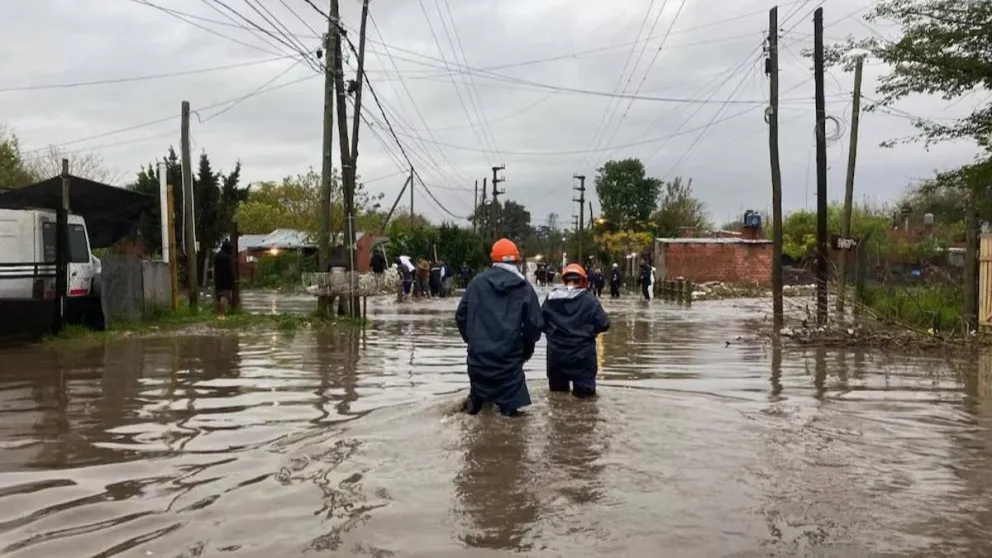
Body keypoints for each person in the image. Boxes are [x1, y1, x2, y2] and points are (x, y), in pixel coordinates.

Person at [456, 238, 543, 417]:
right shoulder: (524, 288)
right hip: (509, 365)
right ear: (517, 261)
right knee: (512, 421)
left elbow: (461, 316)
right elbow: (534, 326)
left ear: (493, 260)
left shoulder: (476, 283)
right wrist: (524, 352)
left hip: (478, 363)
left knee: (476, 413)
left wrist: (473, 342)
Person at [541, 264, 609, 398]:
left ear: (564, 280)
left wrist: (553, 335)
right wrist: (590, 333)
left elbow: (539, 322)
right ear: (583, 280)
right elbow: (604, 323)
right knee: (586, 400)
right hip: (582, 357)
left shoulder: (551, 298)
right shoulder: (589, 299)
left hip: (556, 356)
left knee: (557, 399)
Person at [213, 239, 235, 317]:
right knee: (224, 297)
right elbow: (229, 269)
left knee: (217, 297)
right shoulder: (227, 257)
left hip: (217, 279)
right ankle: (222, 314)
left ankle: (217, 313)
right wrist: (232, 279)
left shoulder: (217, 256)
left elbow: (215, 268)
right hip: (226, 280)